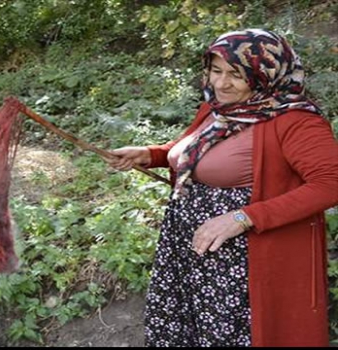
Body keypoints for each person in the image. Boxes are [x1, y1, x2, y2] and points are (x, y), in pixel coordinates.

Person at [107, 29, 338, 347]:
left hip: (243, 260)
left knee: (233, 333)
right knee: (192, 327)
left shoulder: (295, 122)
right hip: (192, 249)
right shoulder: (220, 110)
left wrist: (243, 217)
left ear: (265, 75)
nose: (220, 83)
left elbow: (330, 184)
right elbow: (202, 151)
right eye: (216, 71)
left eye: (236, 75)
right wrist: (153, 154)